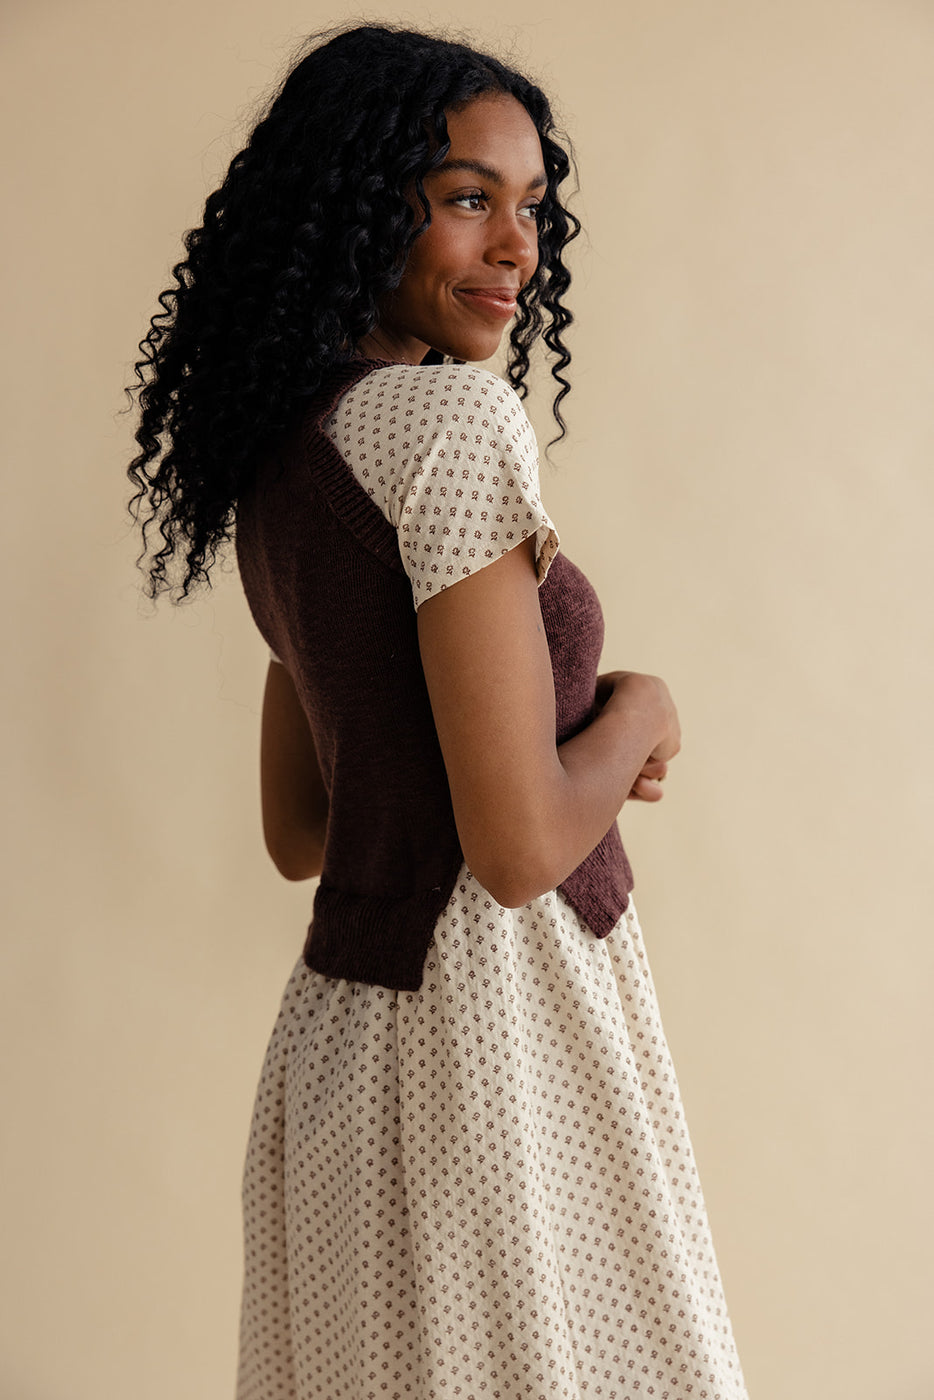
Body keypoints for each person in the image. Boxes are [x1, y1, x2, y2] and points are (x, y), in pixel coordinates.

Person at [129, 24, 748, 1400]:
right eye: (468, 198)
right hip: (497, 1047)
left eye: (532, 207)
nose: (517, 247)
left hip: (348, 1056)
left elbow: (304, 829)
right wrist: (637, 712)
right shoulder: (449, 425)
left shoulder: (285, 460)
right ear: (359, 203)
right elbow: (517, 850)